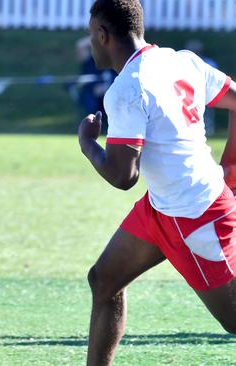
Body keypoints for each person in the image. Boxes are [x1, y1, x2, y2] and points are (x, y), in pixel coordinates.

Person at [78, 1, 236, 364]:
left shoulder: (125, 89)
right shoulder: (181, 60)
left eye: (91, 36)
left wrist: (88, 144)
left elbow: (123, 176)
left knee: (233, 321)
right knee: (104, 281)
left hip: (197, 215)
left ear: (103, 35)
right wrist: (232, 168)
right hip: (162, 207)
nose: (90, 43)